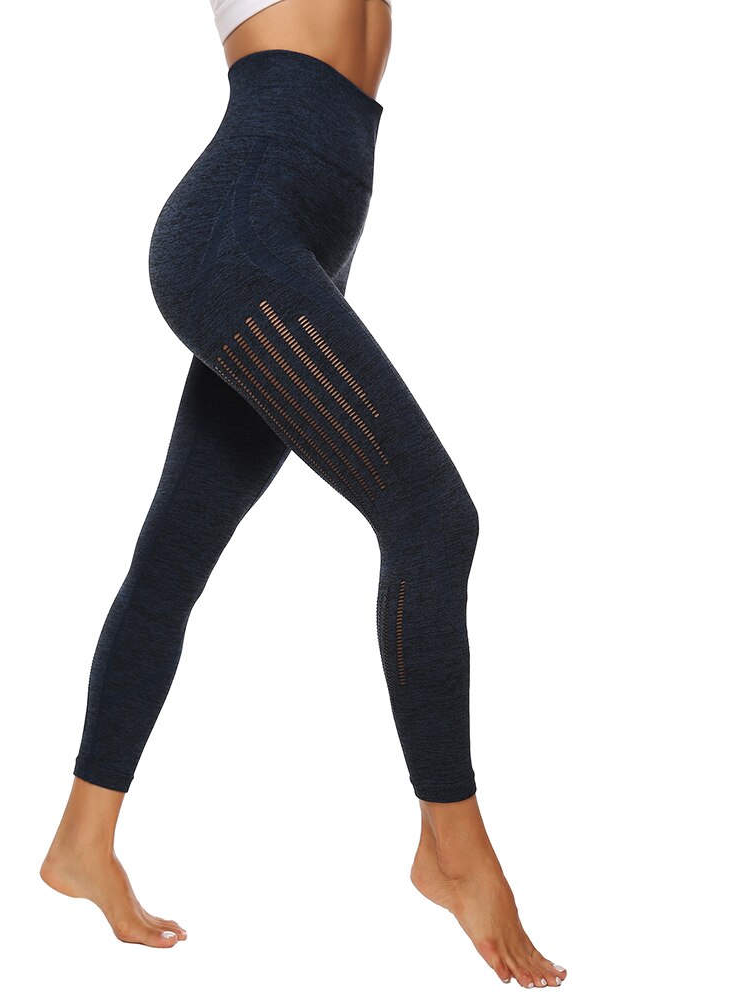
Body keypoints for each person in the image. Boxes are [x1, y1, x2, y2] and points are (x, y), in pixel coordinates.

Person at [41, 1, 567, 988]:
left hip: (304, 234)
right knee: (430, 517)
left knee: (176, 551)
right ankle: (452, 844)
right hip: (240, 230)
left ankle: (81, 838)